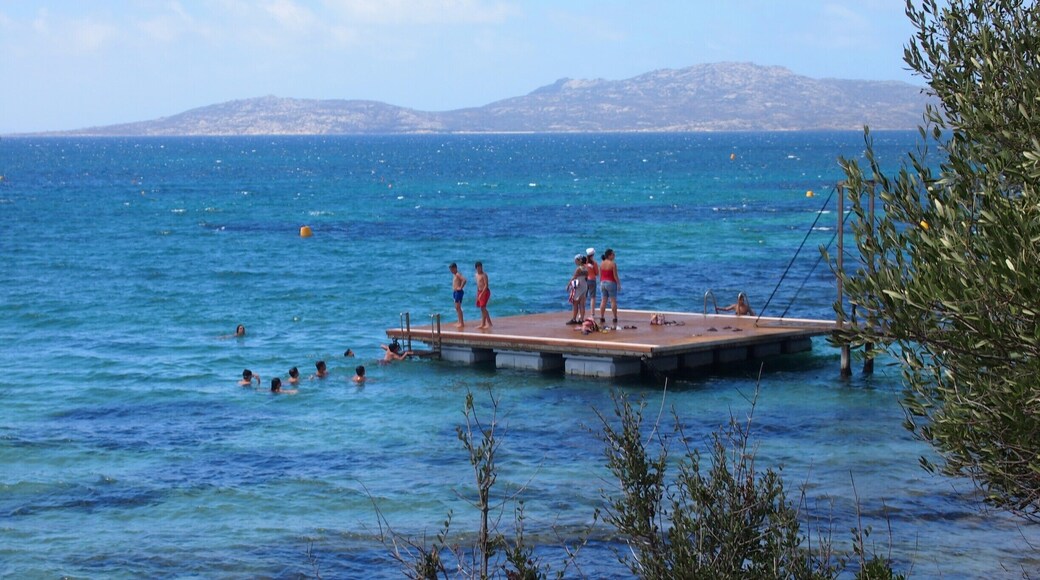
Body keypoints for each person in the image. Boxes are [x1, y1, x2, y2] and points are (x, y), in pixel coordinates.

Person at [598, 248, 620, 328]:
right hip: (611, 283)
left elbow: (600, 275)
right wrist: (619, 284)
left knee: (603, 300)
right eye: (613, 254)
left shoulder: (601, 264)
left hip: (602, 283)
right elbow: (615, 276)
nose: (614, 256)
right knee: (613, 301)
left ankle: (602, 317)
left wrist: (600, 282)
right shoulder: (613, 264)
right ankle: (615, 317)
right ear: (609, 256)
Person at [567, 254, 589, 325]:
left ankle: (574, 319)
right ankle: (581, 319)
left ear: (579, 261)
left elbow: (574, 277)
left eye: (576, 260)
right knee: (582, 304)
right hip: (584, 286)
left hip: (579, 286)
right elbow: (586, 277)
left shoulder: (579, 269)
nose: (575, 262)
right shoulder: (586, 268)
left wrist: (568, 285)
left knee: (575, 303)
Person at [475, 261, 492, 329]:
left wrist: (482, 294)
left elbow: (486, 285)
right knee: (482, 308)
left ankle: (489, 323)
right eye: (478, 267)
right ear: (476, 268)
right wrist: (478, 294)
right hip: (479, 291)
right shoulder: (476, 275)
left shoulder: (484, 275)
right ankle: (483, 323)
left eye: (481, 267)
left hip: (485, 292)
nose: (480, 268)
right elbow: (478, 285)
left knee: (483, 308)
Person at [449, 262, 467, 328]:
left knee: (458, 307)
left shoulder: (457, 274)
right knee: (457, 308)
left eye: (452, 269)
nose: (451, 271)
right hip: (455, 292)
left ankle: (461, 323)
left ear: (455, 268)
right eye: (450, 270)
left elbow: (464, 280)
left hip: (458, 292)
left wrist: (461, 287)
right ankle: (459, 321)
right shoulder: (454, 275)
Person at [585, 247, 599, 314]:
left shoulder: (584, 263)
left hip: (585, 280)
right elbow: (597, 273)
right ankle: (592, 312)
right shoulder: (594, 263)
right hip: (592, 280)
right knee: (592, 297)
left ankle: (581, 312)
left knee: (584, 297)